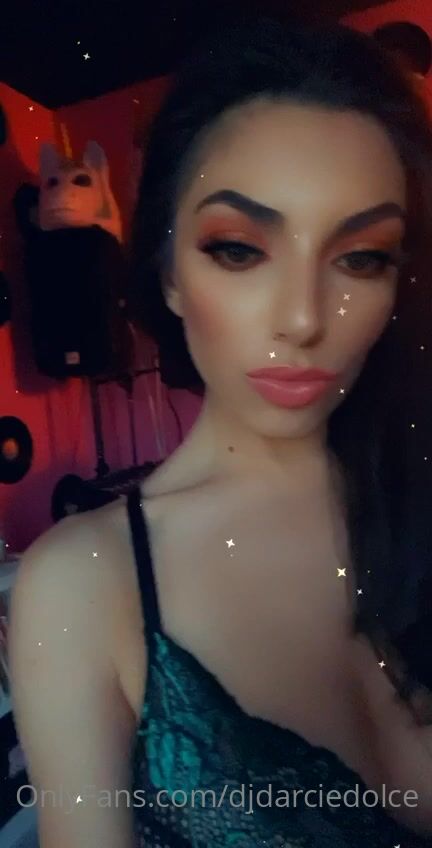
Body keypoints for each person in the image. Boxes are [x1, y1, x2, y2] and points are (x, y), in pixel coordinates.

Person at [8, 13, 432, 848]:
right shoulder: (86, 586)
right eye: (238, 249)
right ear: (168, 271)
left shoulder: (414, 497)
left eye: (361, 257)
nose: (304, 318)